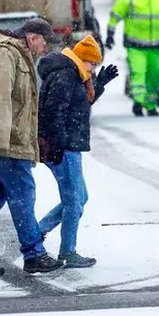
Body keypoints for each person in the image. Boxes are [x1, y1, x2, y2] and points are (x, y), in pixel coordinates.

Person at [0, 18, 65, 277]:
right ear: (32, 37)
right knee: (23, 195)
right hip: (2, 144)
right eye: (44, 42)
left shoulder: (16, 55)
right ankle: (34, 254)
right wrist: (2, 141)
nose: (45, 48)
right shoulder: (6, 55)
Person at [37, 35, 119, 268]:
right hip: (64, 148)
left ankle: (37, 232)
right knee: (74, 200)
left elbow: (79, 104)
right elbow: (55, 112)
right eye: (92, 64)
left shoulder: (73, 74)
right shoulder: (66, 75)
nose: (93, 70)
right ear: (82, 59)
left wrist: (99, 84)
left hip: (68, 145)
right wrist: (60, 143)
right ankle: (67, 252)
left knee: (79, 197)